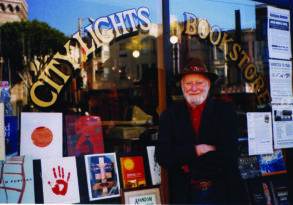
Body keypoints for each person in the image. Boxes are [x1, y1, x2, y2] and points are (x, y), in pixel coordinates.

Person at [156, 58, 247, 204]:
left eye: (199, 83)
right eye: (188, 83)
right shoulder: (170, 115)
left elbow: (229, 155)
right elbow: (163, 156)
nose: (193, 88)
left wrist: (185, 161)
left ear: (209, 85)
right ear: (181, 85)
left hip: (222, 193)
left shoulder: (224, 111)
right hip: (185, 195)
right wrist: (198, 150)